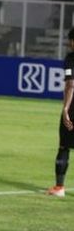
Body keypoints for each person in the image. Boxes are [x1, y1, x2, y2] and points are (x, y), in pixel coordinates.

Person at [46, 28, 74, 197]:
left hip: (73, 109)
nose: (69, 44)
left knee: (64, 147)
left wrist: (65, 108)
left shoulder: (71, 58)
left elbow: (71, 84)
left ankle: (59, 188)